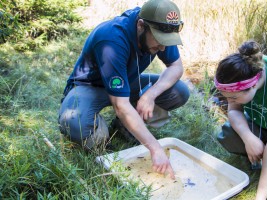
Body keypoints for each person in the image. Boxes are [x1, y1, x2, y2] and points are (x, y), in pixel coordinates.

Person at [58, 0, 190, 179]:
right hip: (90, 87)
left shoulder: (161, 28)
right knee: (75, 122)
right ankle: (101, 134)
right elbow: (120, 104)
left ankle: (124, 128)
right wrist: (155, 148)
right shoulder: (111, 40)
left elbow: (176, 67)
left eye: (167, 41)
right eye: (159, 40)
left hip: (126, 82)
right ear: (141, 25)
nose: (163, 47)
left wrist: (150, 95)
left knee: (179, 91)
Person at [214, 40, 267, 199]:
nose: (230, 101)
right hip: (264, 121)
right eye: (227, 97)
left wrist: (259, 197)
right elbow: (234, 112)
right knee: (229, 133)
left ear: (253, 86)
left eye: (234, 97)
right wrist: (249, 139)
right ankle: (266, 160)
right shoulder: (245, 68)